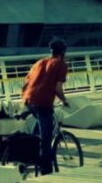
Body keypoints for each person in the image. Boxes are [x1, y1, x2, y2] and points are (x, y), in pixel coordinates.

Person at [22, 39, 70, 175]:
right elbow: (58, 89)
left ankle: (31, 155)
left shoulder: (40, 62)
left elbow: (27, 81)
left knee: (41, 128)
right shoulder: (61, 64)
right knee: (46, 138)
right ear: (63, 53)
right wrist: (65, 100)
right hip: (42, 103)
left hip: (28, 99)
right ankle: (45, 169)